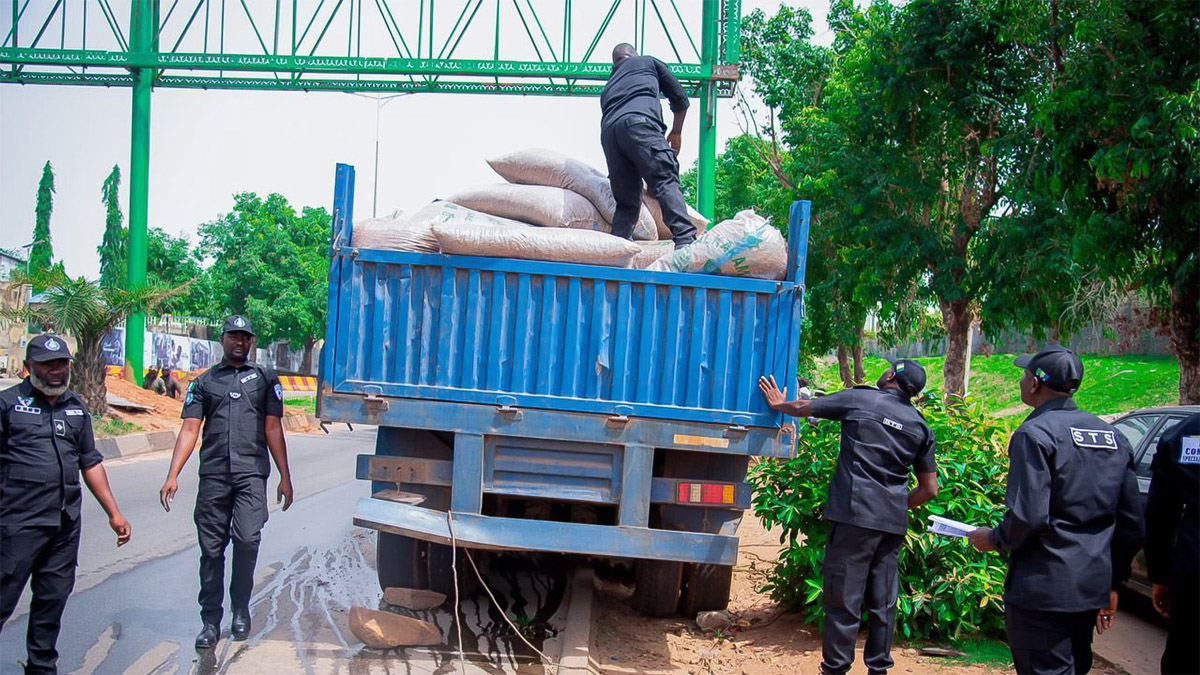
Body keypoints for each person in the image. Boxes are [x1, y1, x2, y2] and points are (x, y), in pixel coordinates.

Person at [967, 346, 1142, 675]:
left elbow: (1029, 516)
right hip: (1088, 589)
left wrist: (994, 538)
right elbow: (1132, 525)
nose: (1021, 381)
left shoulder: (1034, 435)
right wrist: (1112, 584)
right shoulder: (1113, 437)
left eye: (1024, 375)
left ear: (1034, 384)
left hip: (1042, 591)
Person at [759, 358, 939, 675]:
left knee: (844, 600)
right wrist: (896, 505)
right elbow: (929, 489)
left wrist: (778, 403)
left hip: (854, 518)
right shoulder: (920, 426)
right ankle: (878, 669)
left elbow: (805, 406)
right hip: (891, 525)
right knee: (883, 602)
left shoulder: (861, 399)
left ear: (890, 375)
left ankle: (836, 669)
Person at [158, 315, 294, 650]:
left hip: (250, 475)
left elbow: (273, 428)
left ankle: (240, 610)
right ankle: (209, 620)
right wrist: (172, 474)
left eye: (245, 337)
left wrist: (285, 476)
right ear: (223, 340)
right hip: (214, 477)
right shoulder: (203, 382)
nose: (239, 342)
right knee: (211, 550)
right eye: (233, 336)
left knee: (248, 540)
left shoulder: (265, 379)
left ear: (251, 342)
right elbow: (190, 429)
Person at [0, 334, 132, 674]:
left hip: (63, 526)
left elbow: (90, 463)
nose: (57, 371)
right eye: (48, 365)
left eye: (62, 364)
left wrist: (114, 514)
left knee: (51, 603)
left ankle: (41, 667)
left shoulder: (76, 408)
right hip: (16, 525)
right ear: (28, 368)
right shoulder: (8, 405)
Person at [600, 43, 696, 248]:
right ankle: (686, 241)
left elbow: (633, 149)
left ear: (614, 63)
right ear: (633, 54)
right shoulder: (648, 62)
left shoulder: (608, 87)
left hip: (609, 135)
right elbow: (680, 99)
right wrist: (676, 131)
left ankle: (617, 249)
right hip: (640, 123)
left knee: (626, 203)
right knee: (665, 179)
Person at [1143, 413, 1199, 675]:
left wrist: (1160, 575)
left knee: (1185, 655)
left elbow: (1160, 513)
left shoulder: (1185, 434)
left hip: (1192, 573)